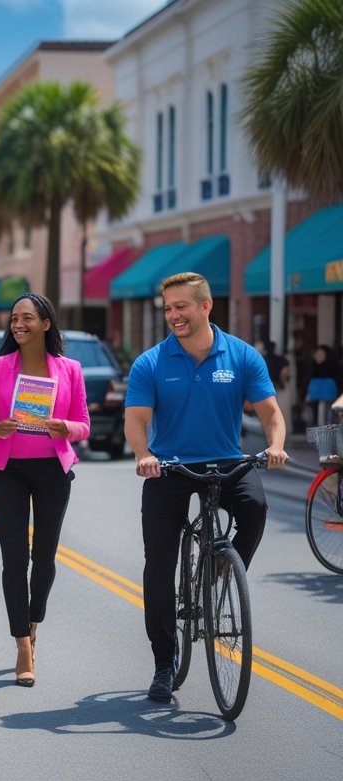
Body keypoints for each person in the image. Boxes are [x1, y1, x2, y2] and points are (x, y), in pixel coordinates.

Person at [124, 272, 287, 704]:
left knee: (255, 507)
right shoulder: (151, 363)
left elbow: (272, 413)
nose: (173, 315)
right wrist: (144, 454)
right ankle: (164, 662)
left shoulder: (242, 356)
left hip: (227, 460)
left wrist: (276, 446)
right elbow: (136, 421)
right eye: (168, 309)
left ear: (205, 306)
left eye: (181, 307)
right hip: (169, 467)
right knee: (158, 566)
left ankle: (221, 567)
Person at [0, 293, 89, 688]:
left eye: (27, 318)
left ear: (45, 323)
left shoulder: (70, 369)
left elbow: (83, 424)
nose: (18, 324)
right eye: (13, 319)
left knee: (44, 558)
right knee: (14, 559)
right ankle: (22, 644)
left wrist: (66, 427)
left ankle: (33, 621)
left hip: (52, 471)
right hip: (6, 471)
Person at [306, 345, 340, 427]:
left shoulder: (331, 366)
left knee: (328, 412)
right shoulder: (313, 365)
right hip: (316, 393)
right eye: (317, 354)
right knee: (316, 412)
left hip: (327, 391)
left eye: (321, 354)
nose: (318, 356)